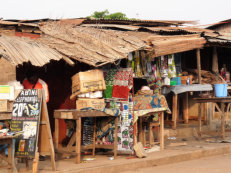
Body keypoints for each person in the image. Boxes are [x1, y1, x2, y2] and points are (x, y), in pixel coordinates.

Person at [22, 68, 49, 161]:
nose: (31, 81)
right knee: (28, 132)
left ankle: (39, 152)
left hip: (39, 111)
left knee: (39, 132)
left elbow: (46, 99)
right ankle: (29, 152)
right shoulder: (24, 82)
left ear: (36, 77)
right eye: (29, 79)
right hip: (26, 112)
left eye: (32, 79)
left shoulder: (43, 84)